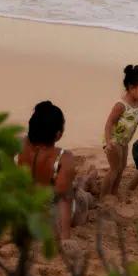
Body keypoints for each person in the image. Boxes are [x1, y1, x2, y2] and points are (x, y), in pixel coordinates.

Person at [17, 101, 92, 239]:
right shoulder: (64, 157)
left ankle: (83, 182)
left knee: (71, 187)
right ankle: (85, 183)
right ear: (58, 134)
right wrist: (65, 236)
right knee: (83, 198)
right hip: (49, 214)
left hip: (23, 208)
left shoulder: (19, 144)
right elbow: (65, 199)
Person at [101, 65, 138, 198]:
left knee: (122, 168)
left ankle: (114, 193)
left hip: (124, 141)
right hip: (114, 141)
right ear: (132, 87)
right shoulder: (121, 105)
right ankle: (103, 197)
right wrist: (109, 142)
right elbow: (109, 123)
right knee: (114, 169)